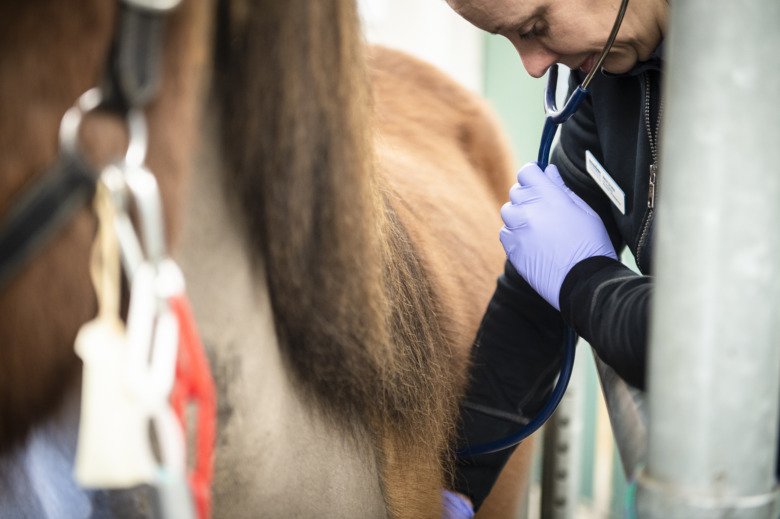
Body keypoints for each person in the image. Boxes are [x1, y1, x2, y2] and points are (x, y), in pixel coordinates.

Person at [441, 0, 670, 514]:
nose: (534, 64)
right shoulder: (608, 75)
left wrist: (585, 280)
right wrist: (455, 480)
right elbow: (530, 306)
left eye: (537, 27)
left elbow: (719, 342)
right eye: (512, 40)